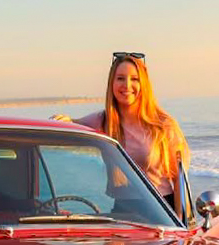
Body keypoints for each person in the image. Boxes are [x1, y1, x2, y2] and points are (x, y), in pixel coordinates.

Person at [52, 52, 190, 209]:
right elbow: (72, 125)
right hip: (123, 209)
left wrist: (180, 221)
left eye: (135, 79)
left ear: (144, 84)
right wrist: (63, 119)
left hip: (162, 209)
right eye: (120, 78)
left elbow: (180, 179)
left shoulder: (163, 125)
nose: (127, 85)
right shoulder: (103, 121)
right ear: (112, 83)